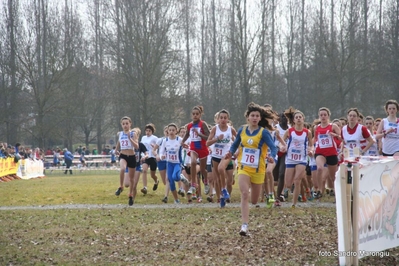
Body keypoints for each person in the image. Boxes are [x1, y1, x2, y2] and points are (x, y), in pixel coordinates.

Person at [225, 102, 277, 236]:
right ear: (247, 117)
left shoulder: (263, 132)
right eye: (252, 115)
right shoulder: (242, 130)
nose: (254, 118)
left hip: (258, 170)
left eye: (257, 116)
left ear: (260, 118)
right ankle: (244, 225)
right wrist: (230, 153)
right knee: (244, 194)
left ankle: (264, 195)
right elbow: (235, 144)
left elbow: (273, 147)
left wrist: (271, 156)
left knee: (254, 200)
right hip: (243, 168)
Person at [282, 110, 313, 208]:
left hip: (302, 159)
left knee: (297, 180)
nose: (299, 119)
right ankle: (288, 191)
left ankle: (294, 203)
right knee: (288, 183)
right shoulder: (289, 131)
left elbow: (311, 145)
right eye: (297, 117)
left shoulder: (307, 132)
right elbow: (281, 142)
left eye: (300, 117)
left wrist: (311, 150)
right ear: (294, 120)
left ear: (303, 119)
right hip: (290, 158)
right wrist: (282, 147)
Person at [206, 109, 237, 207]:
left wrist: (237, 152)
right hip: (216, 156)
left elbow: (239, 141)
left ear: (228, 119)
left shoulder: (231, 129)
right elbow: (207, 143)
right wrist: (217, 139)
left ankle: (227, 193)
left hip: (227, 155)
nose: (223, 120)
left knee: (229, 180)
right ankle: (221, 198)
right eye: (221, 118)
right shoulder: (215, 129)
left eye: (225, 118)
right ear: (218, 119)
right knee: (217, 180)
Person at [181, 105, 211, 202]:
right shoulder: (189, 125)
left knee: (202, 169)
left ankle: (206, 181)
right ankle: (193, 184)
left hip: (202, 148)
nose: (195, 116)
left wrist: (199, 135)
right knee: (193, 163)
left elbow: (209, 137)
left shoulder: (203, 124)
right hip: (193, 148)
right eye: (193, 114)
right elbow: (186, 135)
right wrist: (182, 142)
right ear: (191, 115)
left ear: (200, 115)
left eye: (197, 114)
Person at [313, 107, 341, 200]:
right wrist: (311, 148)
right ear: (319, 116)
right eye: (321, 115)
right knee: (320, 168)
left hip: (331, 153)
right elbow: (315, 140)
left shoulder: (333, 126)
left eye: (325, 115)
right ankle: (319, 190)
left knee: (333, 177)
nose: (323, 117)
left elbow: (341, 138)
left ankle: (338, 195)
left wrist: (335, 135)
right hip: (320, 152)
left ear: (328, 116)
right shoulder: (316, 128)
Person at [159, 123, 190, 204]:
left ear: (176, 131)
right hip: (169, 163)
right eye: (170, 130)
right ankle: (176, 199)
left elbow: (186, 147)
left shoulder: (179, 140)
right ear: (167, 131)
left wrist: (186, 147)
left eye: (173, 130)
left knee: (175, 177)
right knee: (171, 182)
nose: (171, 131)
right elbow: (161, 150)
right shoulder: (165, 141)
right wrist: (161, 156)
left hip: (177, 163)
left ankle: (181, 177)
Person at [114, 116, 139, 206]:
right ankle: (121, 187)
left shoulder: (133, 134)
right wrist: (116, 150)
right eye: (123, 124)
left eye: (127, 123)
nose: (125, 125)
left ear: (130, 124)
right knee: (122, 169)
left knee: (132, 179)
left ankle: (131, 194)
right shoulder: (120, 134)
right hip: (123, 155)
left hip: (132, 156)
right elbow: (119, 142)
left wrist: (130, 138)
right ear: (121, 125)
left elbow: (136, 146)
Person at [140, 123, 160, 195]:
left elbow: (159, 146)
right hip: (146, 157)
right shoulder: (143, 138)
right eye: (146, 131)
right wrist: (142, 155)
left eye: (149, 131)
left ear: (152, 131)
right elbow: (142, 147)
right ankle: (145, 187)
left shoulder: (155, 138)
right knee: (144, 170)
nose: (147, 132)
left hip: (153, 157)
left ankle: (156, 181)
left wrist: (154, 146)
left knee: (152, 175)